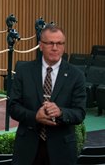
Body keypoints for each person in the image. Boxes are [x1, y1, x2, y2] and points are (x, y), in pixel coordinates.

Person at [8, 23, 86, 165]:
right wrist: (34, 117)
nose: (55, 48)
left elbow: (80, 113)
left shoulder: (77, 75)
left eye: (59, 43)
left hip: (62, 152)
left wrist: (61, 112)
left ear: (64, 45)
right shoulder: (24, 71)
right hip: (27, 150)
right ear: (40, 45)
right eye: (50, 43)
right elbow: (13, 107)